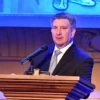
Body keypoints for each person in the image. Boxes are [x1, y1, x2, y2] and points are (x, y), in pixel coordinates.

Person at [25, 12, 94, 85]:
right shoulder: (40, 54)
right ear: (51, 31)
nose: (58, 33)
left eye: (63, 28)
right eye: (55, 28)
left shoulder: (83, 60)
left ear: (72, 32)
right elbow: (26, 82)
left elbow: (85, 91)